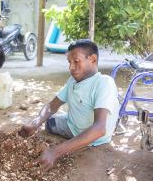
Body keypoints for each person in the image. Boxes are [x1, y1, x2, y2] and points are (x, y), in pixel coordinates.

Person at [19, 39, 119, 171]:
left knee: (58, 126)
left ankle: (77, 139)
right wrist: (35, 123)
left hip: (94, 139)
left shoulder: (104, 83)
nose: (71, 67)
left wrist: (55, 151)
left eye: (76, 61)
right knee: (48, 123)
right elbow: (52, 106)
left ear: (93, 59)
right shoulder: (73, 80)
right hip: (72, 127)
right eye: (69, 62)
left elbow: (99, 129)